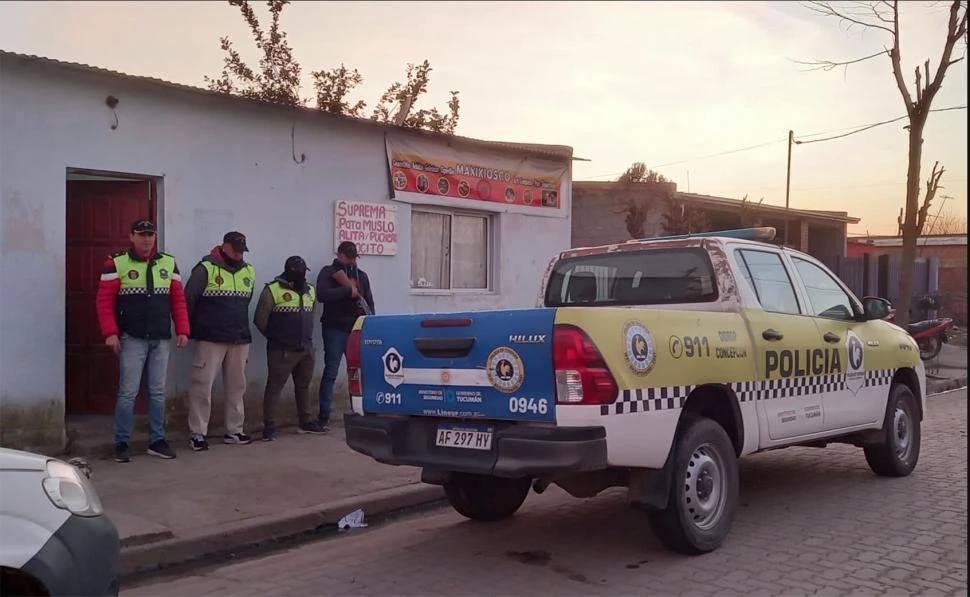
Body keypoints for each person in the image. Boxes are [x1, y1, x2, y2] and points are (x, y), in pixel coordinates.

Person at [96, 219, 189, 463]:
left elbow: (178, 301)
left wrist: (183, 330)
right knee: (128, 392)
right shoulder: (116, 262)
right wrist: (110, 333)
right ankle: (122, 443)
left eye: (151, 234)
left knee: (158, 392)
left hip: (160, 338)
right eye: (142, 234)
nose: (147, 239)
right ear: (132, 236)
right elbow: (104, 302)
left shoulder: (169, 263)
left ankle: (157, 441)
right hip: (132, 338)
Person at [183, 231, 256, 451]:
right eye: (235, 249)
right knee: (201, 386)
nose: (239, 254)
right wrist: (193, 329)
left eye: (242, 250)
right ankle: (197, 433)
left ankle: (234, 430)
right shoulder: (205, 269)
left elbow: (245, 302)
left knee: (237, 387)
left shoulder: (248, 271)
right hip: (211, 338)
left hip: (239, 338)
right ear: (224, 246)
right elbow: (189, 300)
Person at [253, 256, 326, 440]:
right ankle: (269, 426)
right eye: (299, 272)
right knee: (274, 388)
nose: (302, 275)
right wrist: (276, 337)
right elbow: (260, 320)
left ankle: (306, 421)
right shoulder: (272, 290)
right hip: (281, 351)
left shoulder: (310, 290)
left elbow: (311, 314)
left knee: (303, 386)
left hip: (306, 349)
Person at [316, 241, 375, 430]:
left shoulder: (361, 276)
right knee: (331, 372)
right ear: (340, 255)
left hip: (356, 329)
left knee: (357, 374)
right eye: (347, 256)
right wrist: (348, 291)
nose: (351, 260)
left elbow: (369, 302)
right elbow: (322, 294)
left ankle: (359, 413)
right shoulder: (329, 272)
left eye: (353, 257)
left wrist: (371, 324)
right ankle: (324, 416)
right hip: (334, 329)